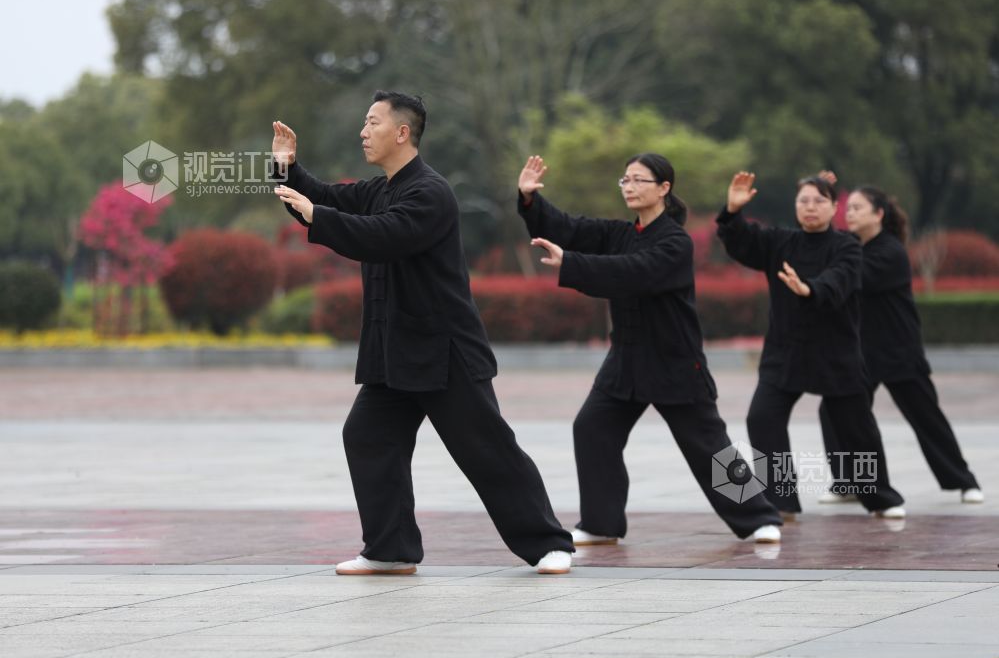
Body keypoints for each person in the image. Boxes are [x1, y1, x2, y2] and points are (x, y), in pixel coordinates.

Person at [272, 91, 575, 575]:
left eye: (372, 122)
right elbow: (323, 197)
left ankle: (549, 544)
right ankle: (390, 550)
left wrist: (317, 216)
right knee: (367, 435)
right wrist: (285, 167)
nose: (363, 132)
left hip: (444, 351)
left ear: (401, 132)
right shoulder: (379, 189)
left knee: (486, 448)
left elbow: (382, 236)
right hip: (395, 354)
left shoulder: (430, 192)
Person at [518, 154, 784, 545]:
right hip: (625, 360)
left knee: (708, 446)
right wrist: (530, 200)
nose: (629, 186)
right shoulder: (619, 233)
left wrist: (571, 264)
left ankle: (759, 517)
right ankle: (600, 524)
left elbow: (634, 272)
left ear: (664, 188)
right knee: (593, 428)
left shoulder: (676, 242)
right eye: (625, 179)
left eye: (639, 180)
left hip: (674, 362)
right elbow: (569, 228)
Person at [716, 171, 906, 518]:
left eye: (819, 200)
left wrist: (810, 288)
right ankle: (781, 500)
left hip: (836, 354)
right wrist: (732, 212)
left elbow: (841, 278)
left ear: (834, 207)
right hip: (785, 352)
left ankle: (881, 498)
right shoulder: (780, 242)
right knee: (762, 418)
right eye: (803, 200)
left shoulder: (847, 246)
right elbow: (743, 241)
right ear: (795, 206)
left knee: (857, 430)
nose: (810, 207)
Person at [817, 184, 983, 504]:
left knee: (926, 417)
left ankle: (965, 482)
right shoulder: (851, 247)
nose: (850, 213)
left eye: (858, 208)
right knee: (834, 411)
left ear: (878, 214)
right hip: (860, 353)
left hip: (898, 351)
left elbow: (853, 278)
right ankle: (850, 482)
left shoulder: (890, 252)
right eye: (848, 208)